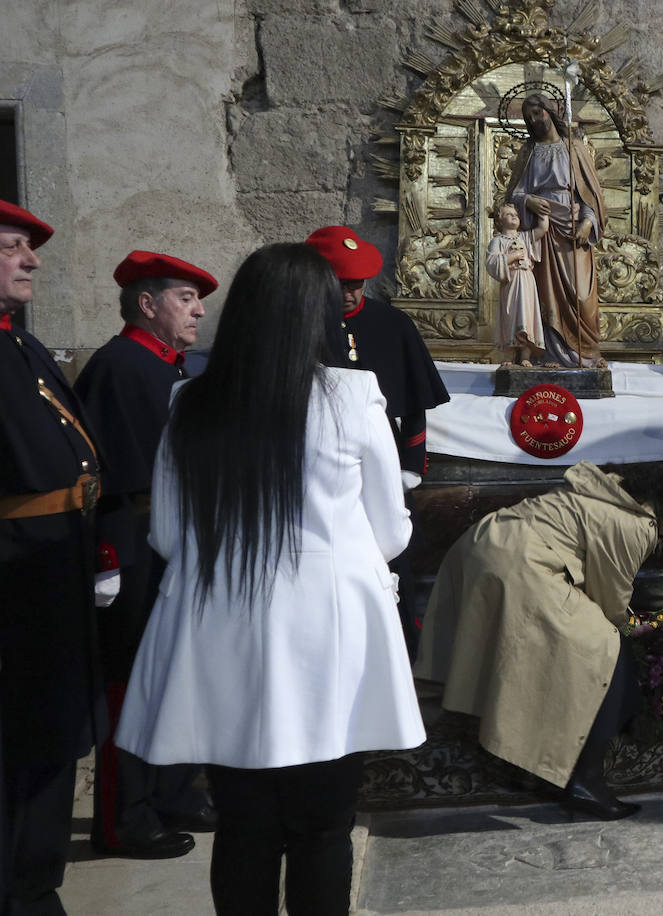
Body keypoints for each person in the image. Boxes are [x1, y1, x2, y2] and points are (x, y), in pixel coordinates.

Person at [114, 243, 425, 914]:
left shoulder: (190, 400)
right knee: (320, 824)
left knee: (245, 824)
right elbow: (392, 530)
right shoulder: (351, 394)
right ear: (313, 315)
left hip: (223, 633)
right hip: (327, 637)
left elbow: (167, 534)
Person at [414, 462, 663, 820]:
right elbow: (609, 599)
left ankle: (530, 760)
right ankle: (584, 779)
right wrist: (631, 634)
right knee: (604, 651)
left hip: (483, 543)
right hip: (517, 563)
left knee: (538, 651)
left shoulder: (611, 491)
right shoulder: (637, 523)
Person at [74, 250, 220, 861]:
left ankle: (172, 790)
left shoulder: (173, 367)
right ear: (147, 303)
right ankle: (122, 816)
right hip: (133, 546)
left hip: (175, 540)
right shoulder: (117, 366)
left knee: (177, 672)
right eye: (185, 298)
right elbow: (99, 472)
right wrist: (106, 556)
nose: (198, 310)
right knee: (129, 682)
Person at [0, 199, 114, 913]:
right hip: (14, 575)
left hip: (51, 567)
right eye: (13, 246)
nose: (33, 258)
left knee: (51, 732)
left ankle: (36, 883)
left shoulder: (22, 345)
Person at [305, 224, 450, 659]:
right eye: (340, 285)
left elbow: (414, 404)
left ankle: (402, 642)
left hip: (384, 463)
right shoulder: (301, 326)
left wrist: (410, 465)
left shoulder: (392, 324)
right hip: (326, 472)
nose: (349, 294)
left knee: (393, 559)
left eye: (356, 284)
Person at [505, 92, 608, 368]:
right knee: (545, 294)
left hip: (573, 228)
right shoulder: (529, 152)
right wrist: (528, 200)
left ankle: (584, 356)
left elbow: (591, 196)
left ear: (550, 111)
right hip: (542, 229)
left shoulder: (573, 148)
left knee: (581, 296)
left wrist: (588, 222)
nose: (534, 121)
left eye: (537, 113)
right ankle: (549, 355)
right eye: (528, 118)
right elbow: (512, 195)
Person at [484, 201, 548, 366]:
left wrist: (543, 209)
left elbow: (543, 228)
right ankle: (509, 355)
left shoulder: (525, 237)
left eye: (516, 215)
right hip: (511, 282)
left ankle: (525, 355)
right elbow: (491, 262)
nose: (514, 216)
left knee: (527, 316)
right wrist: (513, 256)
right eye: (508, 214)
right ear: (499, 220)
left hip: (527, 280)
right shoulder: (497, 241)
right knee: (510, 316)